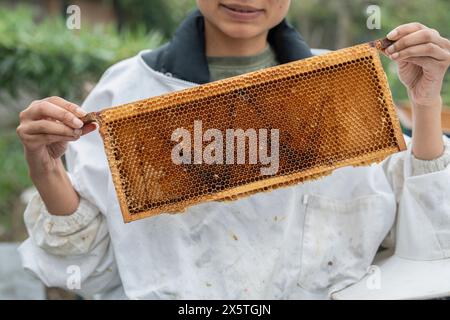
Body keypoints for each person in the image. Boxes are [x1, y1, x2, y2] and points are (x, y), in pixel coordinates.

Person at [16, 0, 450, 299]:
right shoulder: (125, 90)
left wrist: (427, 101)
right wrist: (46, 168)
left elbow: (423, 236)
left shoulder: (342, 90)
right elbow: (91, 262)